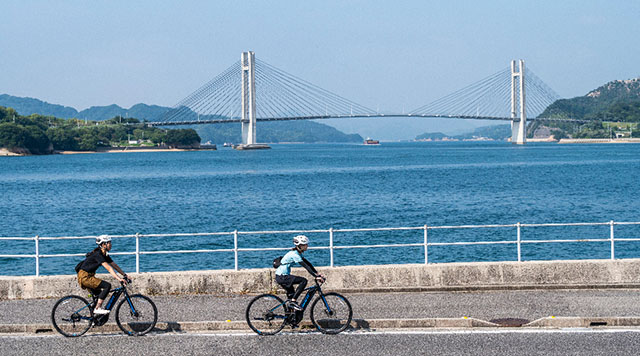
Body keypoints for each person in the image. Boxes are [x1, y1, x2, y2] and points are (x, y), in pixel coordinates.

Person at [76, 235, 129, 314]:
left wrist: (124, 275)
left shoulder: (104, 254)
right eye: (109, 243)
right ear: (103, 245)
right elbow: (109, 268)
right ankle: (97, 308)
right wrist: (119, 279)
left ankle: (94, 319)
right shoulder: (98, 255)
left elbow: (114, 265)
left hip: (88, 276)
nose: (110, 245)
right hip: (85, 277)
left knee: (99, 296)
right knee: (107, 286)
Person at [275, 235, 325, 312]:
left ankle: (290, 319)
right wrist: (315, 276)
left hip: (282, 276)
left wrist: (317, 273)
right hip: (282, 276)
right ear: (300, 246)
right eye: (306, 245)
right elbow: (305, 266)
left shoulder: (298, 253)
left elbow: (308, 263)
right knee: (303, 281)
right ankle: (293, 301)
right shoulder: (295, 255)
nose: (307, 246)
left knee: (291, 295)